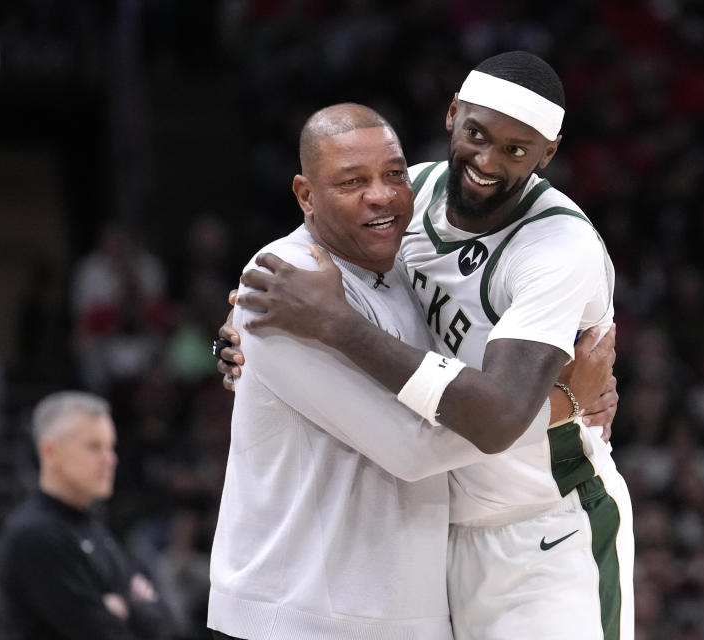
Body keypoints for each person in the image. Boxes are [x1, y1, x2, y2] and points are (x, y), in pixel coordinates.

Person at [222, 51, 634, 639]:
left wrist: (335, 323)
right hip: (438, 535)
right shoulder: (407, 192)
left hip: (543, 530)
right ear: (452, 116)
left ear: (549, 154)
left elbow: (494, 417)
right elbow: (293, 262)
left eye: (517, 150)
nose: (487, 161)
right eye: (477, 134)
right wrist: (241, 325)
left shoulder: (556, 248)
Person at [0, 391, 171, 640]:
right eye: (94, 447)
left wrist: (124, 607)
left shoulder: (93, 525)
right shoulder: (34, 535)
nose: (110, 459)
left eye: (111, 447)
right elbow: (103, 633)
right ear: (49, 452)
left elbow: (164, 624)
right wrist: (132, 605)